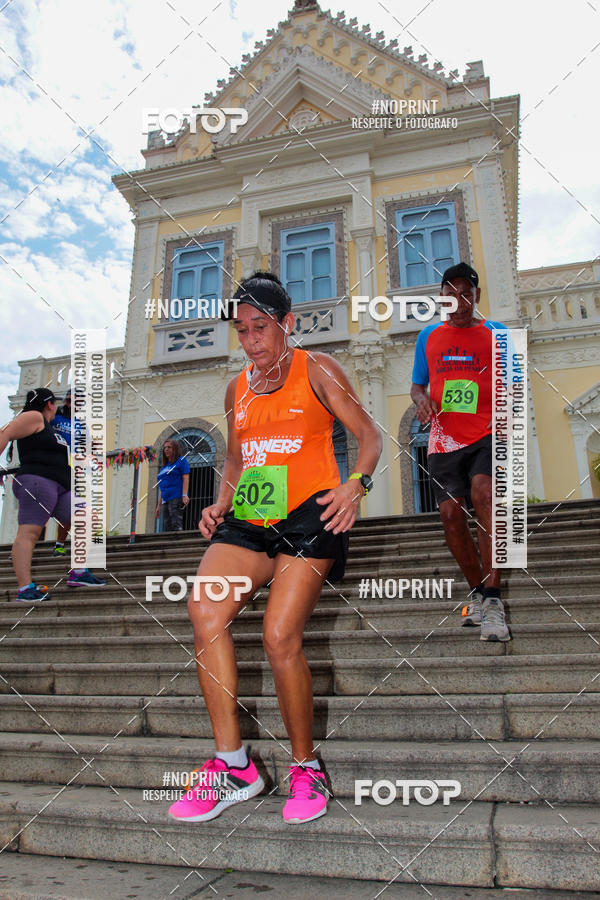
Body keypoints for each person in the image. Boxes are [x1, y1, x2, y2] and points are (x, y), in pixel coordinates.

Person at [168, 272, 382, 825]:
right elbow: (238, 460)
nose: (251, 340)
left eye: (260, 327)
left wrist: (355, 484)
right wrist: (220, 502)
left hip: (312, 514)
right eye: (242, 331)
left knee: (279, 635)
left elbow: (370, 434)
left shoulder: (317, 369)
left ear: (287, 323)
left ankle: (306, 767)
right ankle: (233, 764)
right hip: (251, 518)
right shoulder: (237, 388)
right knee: (204, 609)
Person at [410, 262, 510, 642]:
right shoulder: (429, 338)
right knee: (451, 512)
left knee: (484, 494)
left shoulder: (497, 335)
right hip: (444, 440)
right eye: (450, 294)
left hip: (488, 432)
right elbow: (418, 386)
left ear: (477, 296)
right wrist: (421, 402)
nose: (459, 301)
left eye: (466, 293)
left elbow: (514, 384)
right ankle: (479, 592)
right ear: (442, 299)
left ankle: (494, 597)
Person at [0, 387, 106, 601]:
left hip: (59, 486)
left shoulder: (49, 428)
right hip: (37, 481)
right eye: (57, 402)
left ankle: (79, 572)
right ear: (50, 404)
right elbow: (5, 432)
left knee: (88, 517)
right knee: (29, 533)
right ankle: (25, 588)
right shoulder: (34, 416)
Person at [155, 439, 190, 531]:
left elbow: (185, 478)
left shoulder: (181, 461)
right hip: (165, 499)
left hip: (176, 496)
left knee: (176, 524)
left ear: (175, 449)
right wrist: (158, 506)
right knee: (168, 525)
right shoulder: (164, 467)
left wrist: (184, 495)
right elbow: (162, 487)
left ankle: (179, 544)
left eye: (169, 447)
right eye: (165, 448)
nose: (166, 449)